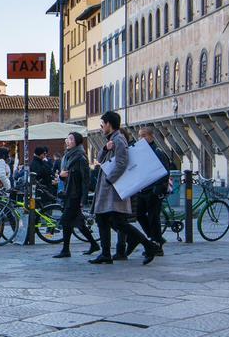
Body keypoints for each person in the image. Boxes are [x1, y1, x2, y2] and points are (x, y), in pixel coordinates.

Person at [89, 111, 158, 265]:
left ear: (109, 124)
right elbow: (100, 159)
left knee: (118, 222)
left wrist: (109, 179)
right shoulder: (111, 140)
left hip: (113, 188)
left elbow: (122, 162)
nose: (101, 127)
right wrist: (106, 148)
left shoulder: (119, 139)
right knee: (103, 219)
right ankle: (106, 253)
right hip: (108, 187)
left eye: (102, 124)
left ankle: (148, 245)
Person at [54, 132, 96, 258]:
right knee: (78, 222)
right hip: (68, 193)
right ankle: (93, 244)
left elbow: (85, 179)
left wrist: (83, 199)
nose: (68, 140)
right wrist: (61, 177)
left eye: (71, 139)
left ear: (77, 142)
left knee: (66, 221)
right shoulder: (67, 156)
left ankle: (66, 250)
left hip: (75, 194)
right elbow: (65, 175)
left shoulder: (80, 157)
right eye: (67, 138)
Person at [134, 128, 172, 253]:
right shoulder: (140, 152)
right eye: (139, 136)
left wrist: (158, 188)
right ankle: (155, 238)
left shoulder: (157, 152)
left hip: (154, 190)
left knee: (153, 217)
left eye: (144, 135)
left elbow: (165, 172)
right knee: (139, 214)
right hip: (143, 189)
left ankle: (156, 245)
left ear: (151, 137)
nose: (141, 139)